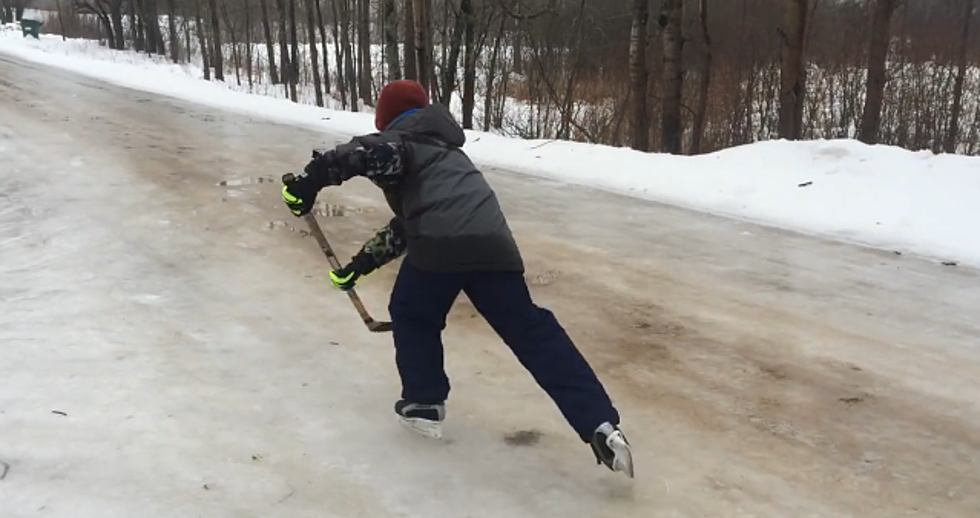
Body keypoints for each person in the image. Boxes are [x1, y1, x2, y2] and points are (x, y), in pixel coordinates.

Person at [281, 80, 633, 477]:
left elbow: (364, 155)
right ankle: (601, 424)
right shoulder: (447, 152)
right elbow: (406, 228)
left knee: (412, 313)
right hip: (495, 246)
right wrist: (358, 267)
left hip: (441, 243)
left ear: (386, 119)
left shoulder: (404, 143)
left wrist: (311, 181)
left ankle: (424, 403)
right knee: (531, 331)